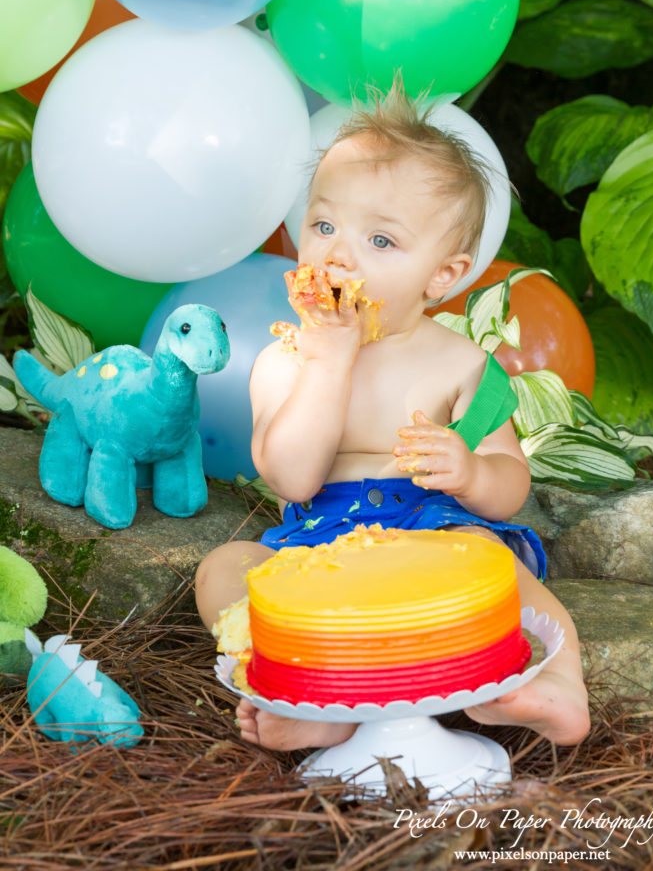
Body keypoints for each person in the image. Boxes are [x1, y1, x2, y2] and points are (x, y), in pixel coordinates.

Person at [195, 84, 590, 752]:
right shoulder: (285, 361)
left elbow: (509, 484)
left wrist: (467, 472)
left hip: (435, 535)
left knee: (498, 562)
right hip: (318, 547)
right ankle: (304, 694)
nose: (338, 254)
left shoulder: (460, 364)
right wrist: (329, 361)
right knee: (222, 570)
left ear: (443, 275)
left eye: (379, 239)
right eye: (323, 226)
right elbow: (292, 480)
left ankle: (558, 682)